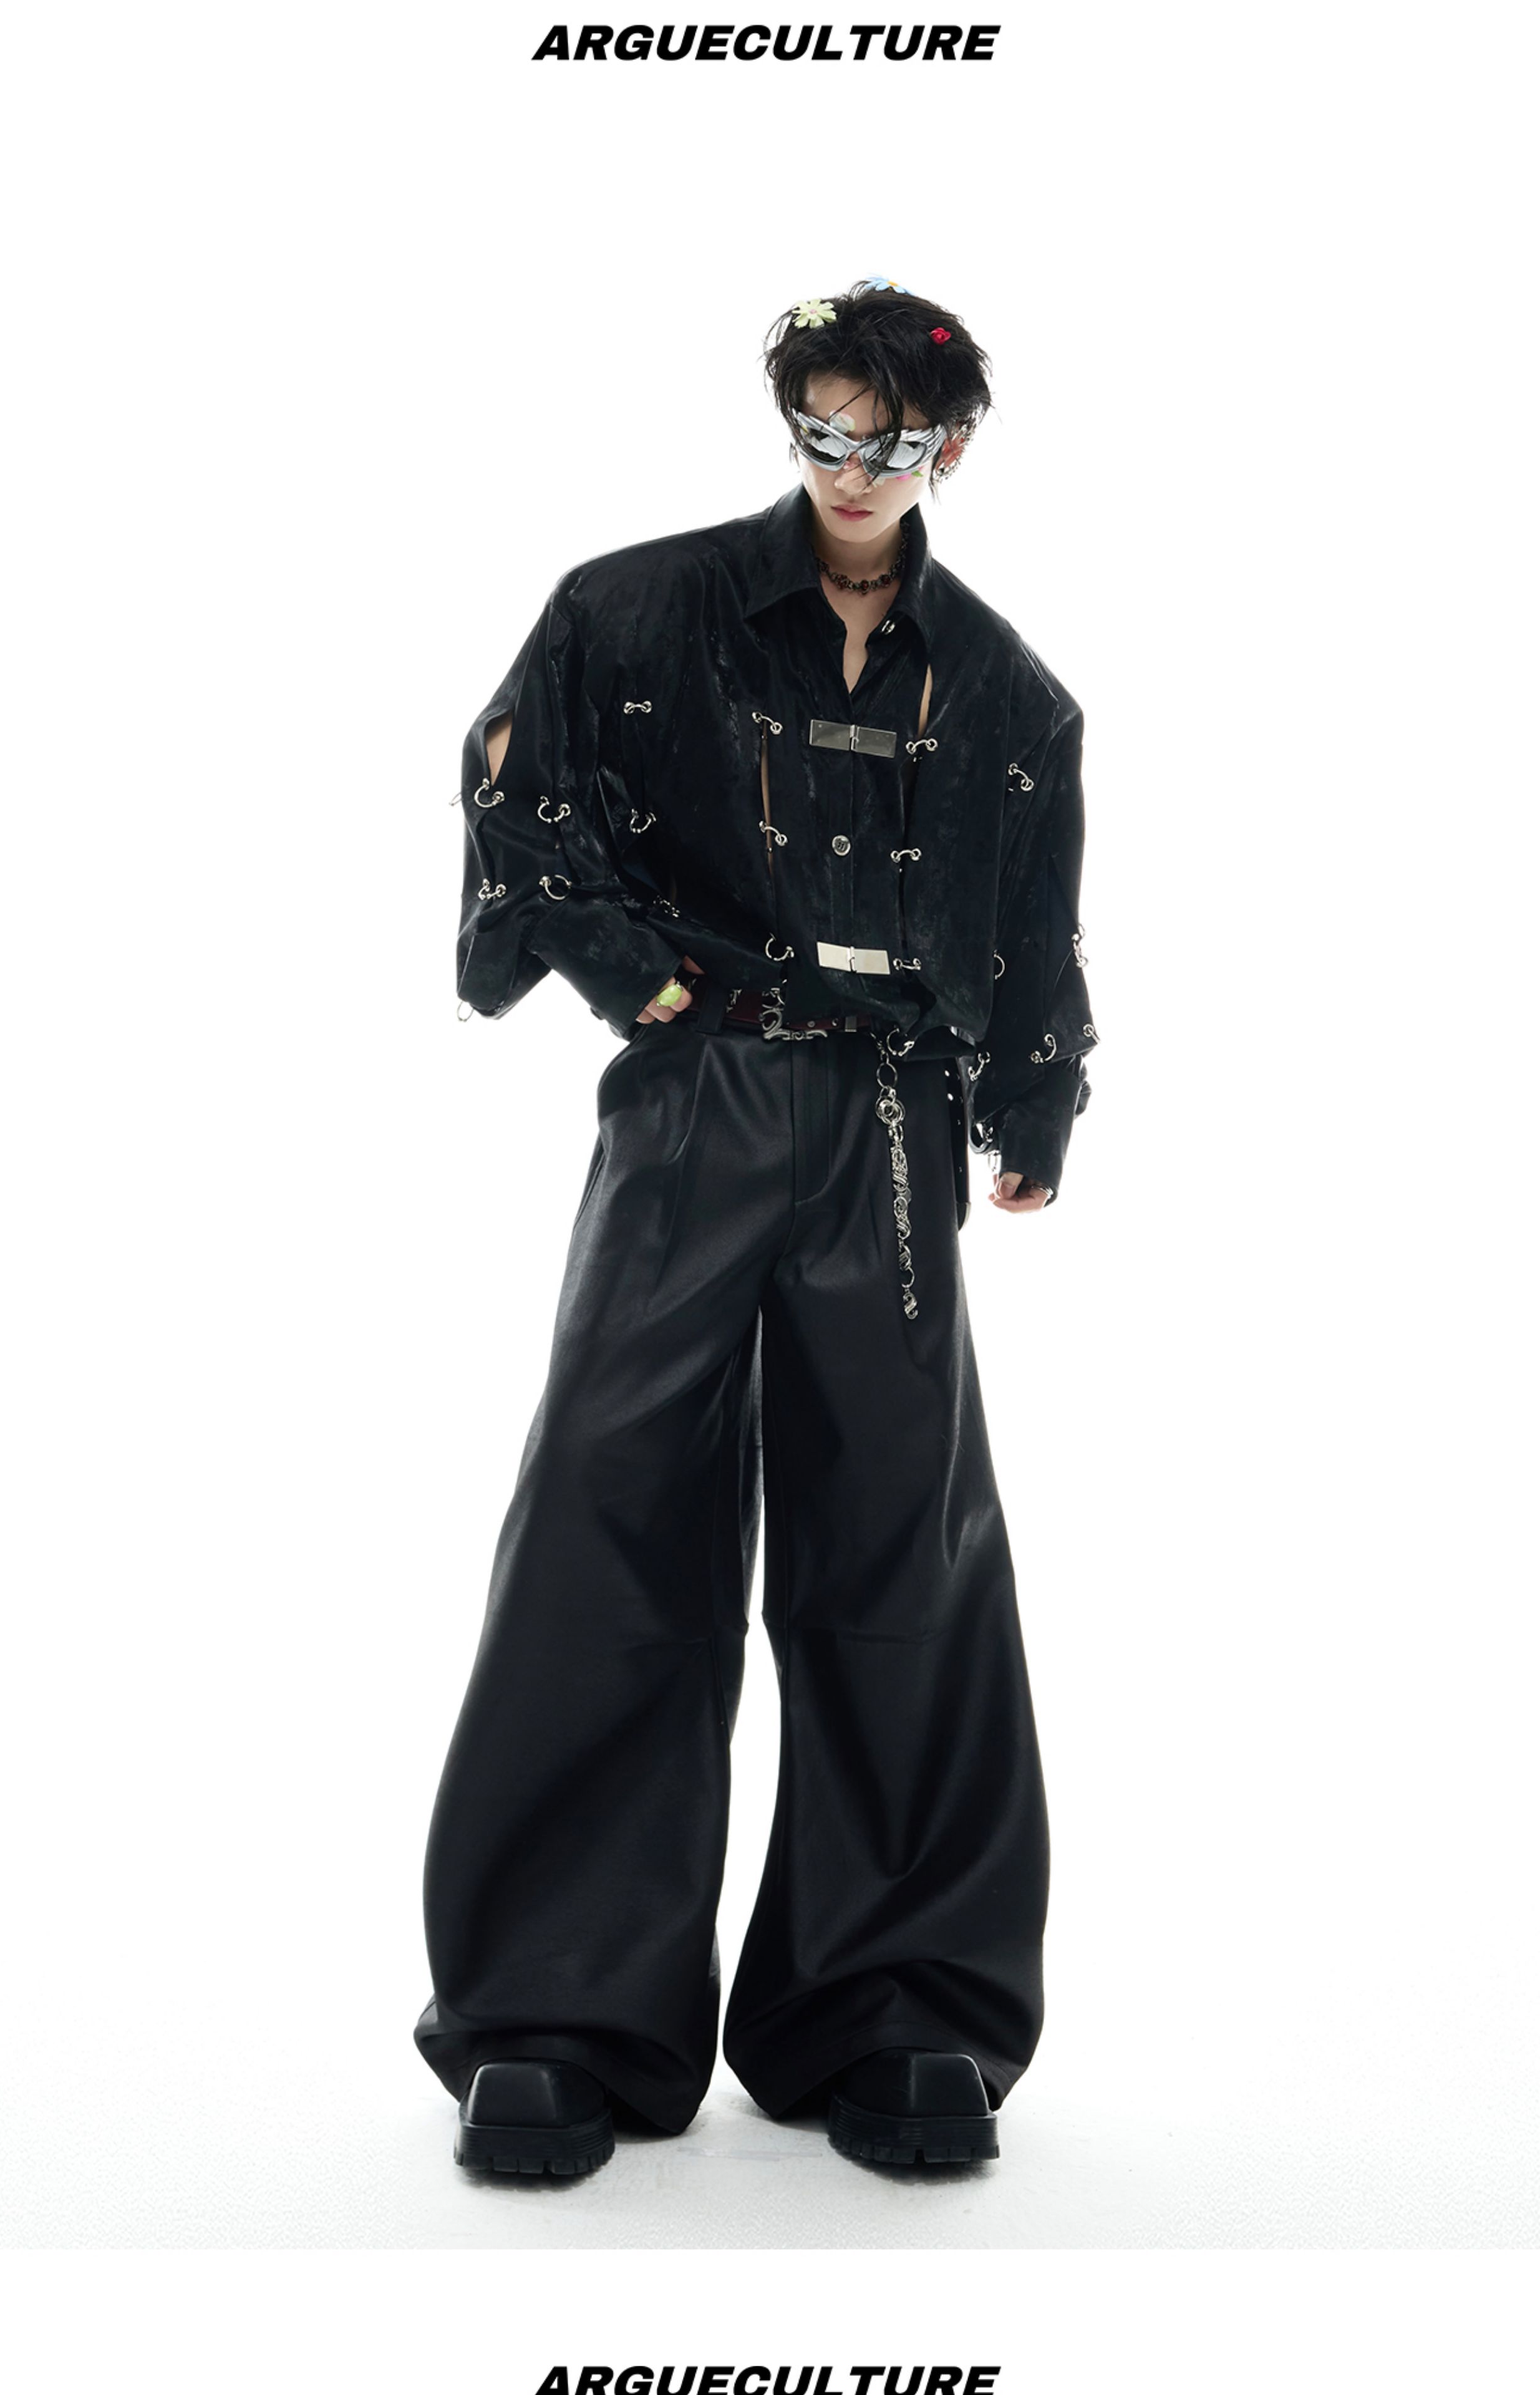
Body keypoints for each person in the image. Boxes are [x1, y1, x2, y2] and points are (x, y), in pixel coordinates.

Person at [414, 279, 1098, 2177]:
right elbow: (514, 800)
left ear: (953, 445)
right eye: (827, 428)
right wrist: (641, 984)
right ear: (791, 419)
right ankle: (556, 2012)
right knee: (612, 1510)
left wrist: (1034, 1099)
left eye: (896, 438)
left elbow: (1038, 917)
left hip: (894, 1126)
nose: (856, 468)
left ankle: (898, 2006)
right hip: (698, 1103)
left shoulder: (1015, 693)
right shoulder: (635, 610)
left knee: (900, 1544)